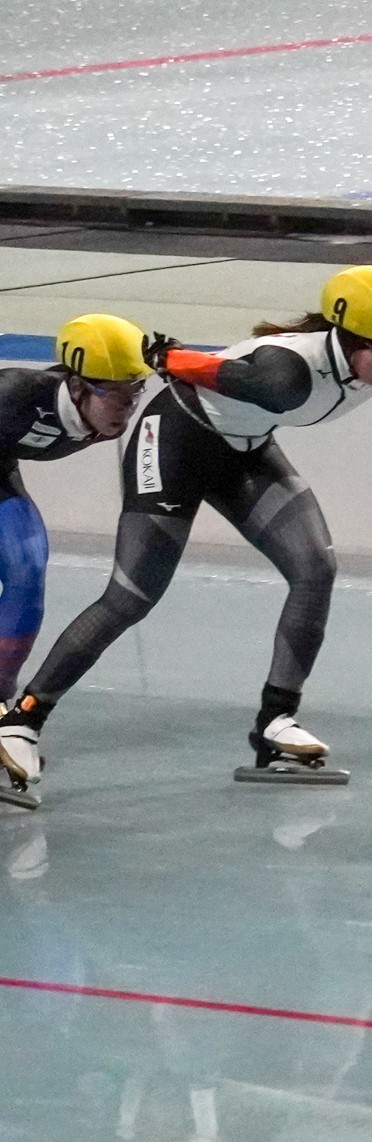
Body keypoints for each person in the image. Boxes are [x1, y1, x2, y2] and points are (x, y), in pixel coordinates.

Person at [0, 267, 372, 786]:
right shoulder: (288, 371)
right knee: (131, 596)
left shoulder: (362, 372)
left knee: (315, 568)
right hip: (176, 439)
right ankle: (24, 719)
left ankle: (276, 721)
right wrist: (170, 357)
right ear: (352, 339)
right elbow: (222, 373)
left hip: (243, 449)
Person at [0, 316, 152, 802]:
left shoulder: (101, 413)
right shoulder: (14, 396)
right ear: (78, 386)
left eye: (135, 393)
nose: (127, 408)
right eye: (117, 395)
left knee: (27, 567)